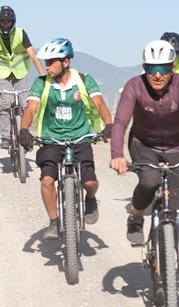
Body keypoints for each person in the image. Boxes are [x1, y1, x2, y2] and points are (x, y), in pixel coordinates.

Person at [109, 39, 179, 295]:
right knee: (150, 181)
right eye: (151, 69)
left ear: (173, 67)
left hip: (176, 147)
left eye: (163, 68)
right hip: (143, 144)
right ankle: (137, 215)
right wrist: (117, 154)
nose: (157, 75)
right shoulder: (134, 86)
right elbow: (120, 123)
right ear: (144, 68)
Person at [18, 38, 114, 240]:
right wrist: (24, 129)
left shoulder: (84, 80)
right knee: (46, 180)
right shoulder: (41, 83)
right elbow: (31, 108)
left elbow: (100, 104)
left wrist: (109, 124)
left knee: (90, 183)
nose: (47, 66)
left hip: (81, 138)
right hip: (51, 140)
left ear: (66, 62)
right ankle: (54, 221)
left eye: (52, 61)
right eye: (46, 62)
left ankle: (90, 197)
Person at [0, 5, 46, 149]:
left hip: (20, 72)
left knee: (25, 103)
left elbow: (33, 57)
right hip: (1, 73)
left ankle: (24, 133)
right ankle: (5, 137)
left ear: (13, 22)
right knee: (6, 102)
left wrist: (44, 78)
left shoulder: (21, 33)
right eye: (2, 21)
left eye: (8, 22)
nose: (5, 24)